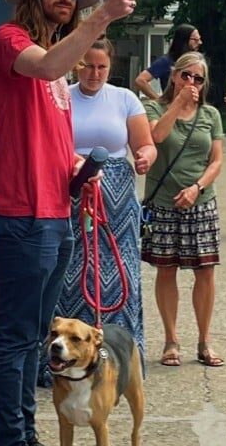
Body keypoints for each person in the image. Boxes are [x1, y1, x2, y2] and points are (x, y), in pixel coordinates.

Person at [0, 0, 134, 446]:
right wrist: (103, 17)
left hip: (54, 210)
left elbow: (50, 138)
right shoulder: (10, 42)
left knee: (35, 339)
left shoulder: (56, 62)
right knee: (17, 335)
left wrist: (76, 168)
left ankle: (23, 439)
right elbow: (44, 66)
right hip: (21, 212)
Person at [62, 37, 156, 367]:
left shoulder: (125, 99)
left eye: (102, 67)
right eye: (88, 65)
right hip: (75, 190)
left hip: (118, 202)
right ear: (77, 65)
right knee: (74, 271)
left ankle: (121, 358)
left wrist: (145, 155)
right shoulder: (63, 97)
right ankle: (69, 354)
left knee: (122, 274)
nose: (95, 73)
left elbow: (145, 144)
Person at [142, 51, 226, 364]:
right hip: (163, 203)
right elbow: (157, 136)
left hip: (200, 202)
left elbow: (216, 160)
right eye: (186, 75)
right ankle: (171, 340)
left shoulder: (210, 115)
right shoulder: (153, 107)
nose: (191, 82)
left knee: (205, 271)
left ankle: (204, 342)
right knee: (167, 269)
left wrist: (197, 187)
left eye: (198, 78)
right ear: (175, 76)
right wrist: (178, 104)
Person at [137, 23, 200, 98]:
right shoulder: (166, 61)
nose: (199, 42)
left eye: (199, 39)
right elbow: (140, 80)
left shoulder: (196, 62)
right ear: (183, 41)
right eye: (195, 40)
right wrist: (159, 101)